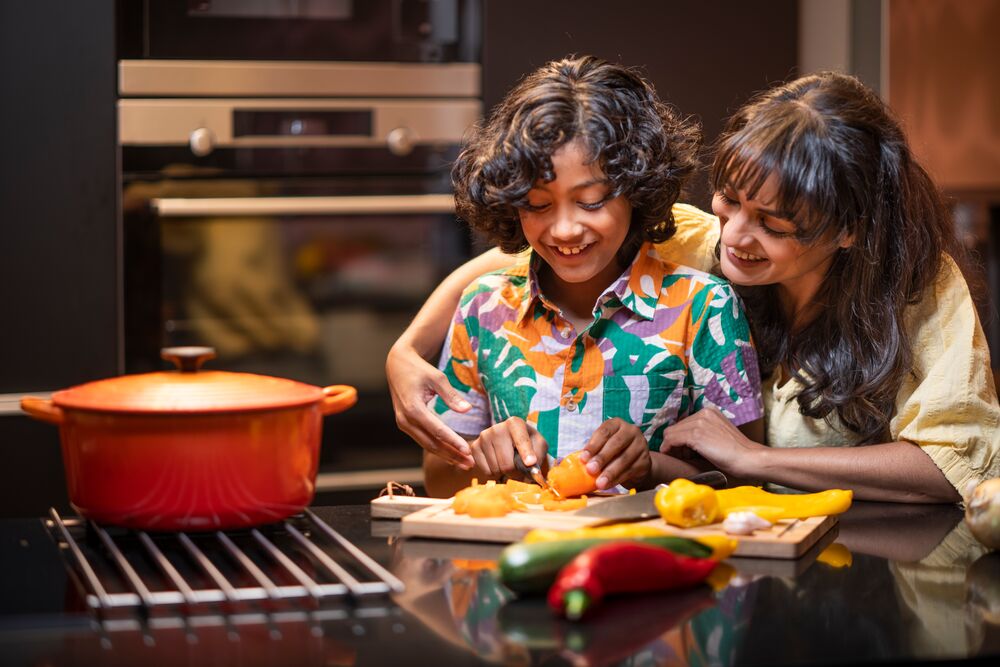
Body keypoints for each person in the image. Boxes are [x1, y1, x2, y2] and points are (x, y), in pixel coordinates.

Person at [388, 69, 1000, 503]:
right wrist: (406, 350)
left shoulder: (917, 287)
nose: (734, 236)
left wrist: (754, 459)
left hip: (877, 566)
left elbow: (953, 464)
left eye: (772, 224)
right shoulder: (711, 243)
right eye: (728, 201)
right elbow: (521, 260)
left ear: (848, 229)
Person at [421, 55, 764, 497]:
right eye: (538, 205)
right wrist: (485, 459)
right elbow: (437, 480)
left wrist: (652, 467)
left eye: (592, 201)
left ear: (637, 191)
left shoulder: (705, 308)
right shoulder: (482, 308)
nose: (564, 230)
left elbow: (748, 482)